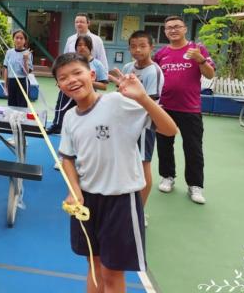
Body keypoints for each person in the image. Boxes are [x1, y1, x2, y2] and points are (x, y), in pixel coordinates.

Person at [55, 53, 176, 293]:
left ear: (92, 75)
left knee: (111, 273)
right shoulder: (69, 117)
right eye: (63, 77)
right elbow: (67, 158)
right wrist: (74, 190)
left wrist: (143, 98)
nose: (72, 80)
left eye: (77, 73)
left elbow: (169, 129)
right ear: (59, 85)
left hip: (120, 201)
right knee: (94, 265)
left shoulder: (117, 102)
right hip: (87, 201)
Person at [154, 16, 215, 204]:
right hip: (164, 108)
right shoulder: (161, 54)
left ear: (185, 29)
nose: (173, 30)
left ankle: (195, 186)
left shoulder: (197, 49)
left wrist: (200, 60)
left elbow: (210, 74)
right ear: (165, 31)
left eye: (177, 26)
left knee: (193, 148)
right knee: (164, 145)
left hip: (190, 109)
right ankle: (167, 177)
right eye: (169, 28)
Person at [112, 30, 164, 220]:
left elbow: (149, 103)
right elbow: (122, 93)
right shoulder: (128, 67)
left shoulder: (154, 71)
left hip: (144, 125)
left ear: (151, 47)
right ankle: (126, 205)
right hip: (125, 123)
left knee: (143, 165)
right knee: (126, 164)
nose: (137, 50)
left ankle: (139, 212)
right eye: (133, 46)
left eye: (142, 46)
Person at [48, 13, 109, 134]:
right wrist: (60, 78)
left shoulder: (97, 40)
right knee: (63, 102)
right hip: (70, 78)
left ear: (88, 23)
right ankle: (58, 125)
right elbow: (64, 58)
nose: (79, 24)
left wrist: (99, 77)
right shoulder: (70, 39)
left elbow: (102, 60)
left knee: (85, 107)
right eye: (77, 22)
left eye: (82, 22)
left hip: (86, 79)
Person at [3, 30, 33, 107]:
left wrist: (25, 60)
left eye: (21, 38)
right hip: (11, 82)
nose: (18, 40)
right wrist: (5, 86)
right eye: (16, 38)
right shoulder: (9, 52)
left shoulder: (28, 53)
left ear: (25, 40)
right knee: (11, 106)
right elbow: (6, 69)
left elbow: (26, 73)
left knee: (22, 106)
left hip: (23, 82)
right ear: (13, 39)